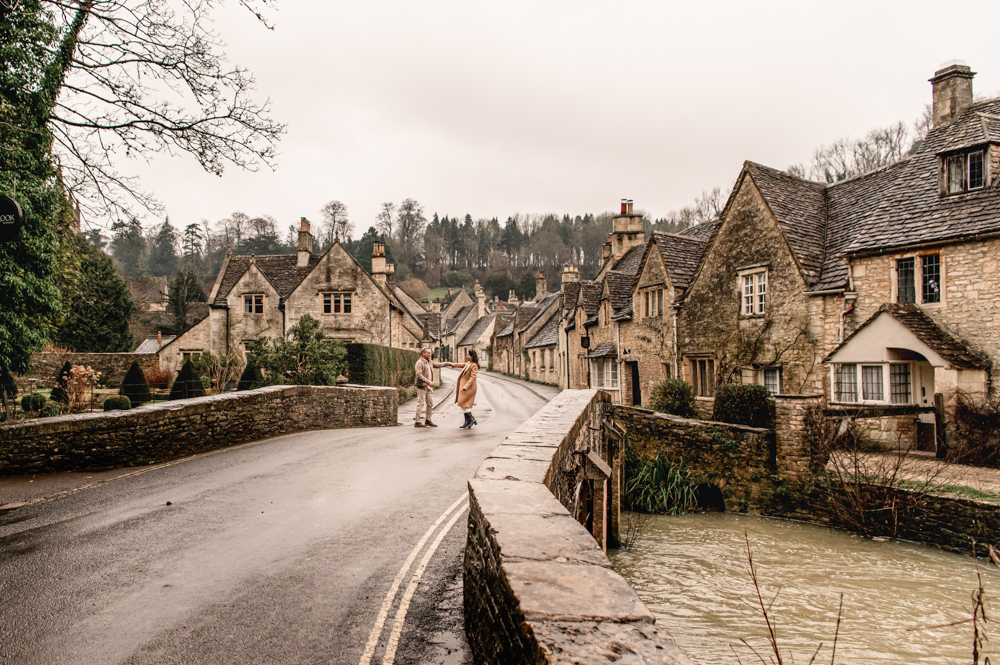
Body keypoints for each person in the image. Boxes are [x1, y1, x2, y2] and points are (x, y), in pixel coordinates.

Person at [414, 348, 448, 428]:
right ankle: (417, 421)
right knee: (421, 403)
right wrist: (429, 382)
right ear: (423, 353)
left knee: (430, 403)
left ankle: (428, 420)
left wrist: (448, 364)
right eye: (428, 353)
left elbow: (438, 365)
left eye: (430, 353)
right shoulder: (419, 363)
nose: (430, 354)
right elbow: (419, 375)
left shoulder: (429, 362)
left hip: (428, 386)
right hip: (422, 386)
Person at [455, 349, 480, 429]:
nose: (466, 356)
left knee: (465, 404)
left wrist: (466, 387)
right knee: (463, 404)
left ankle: (471, 419)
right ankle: (467, 421)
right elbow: (462, 365)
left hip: (469, 388)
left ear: (472, 356)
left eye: (468, 355)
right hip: (465, 387)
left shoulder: (474, 365)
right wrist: (453, 365)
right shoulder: (469, 363)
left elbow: (473, 378)